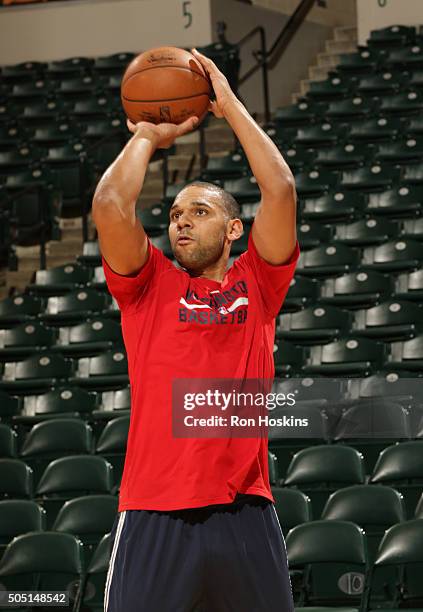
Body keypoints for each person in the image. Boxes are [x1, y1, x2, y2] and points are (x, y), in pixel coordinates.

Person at [93, 48, 299, 612]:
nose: (182, 219)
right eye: (177, 213)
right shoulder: (148, 285)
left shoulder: (258, 284)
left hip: (246, 512)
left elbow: (279, 188)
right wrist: (146, 136)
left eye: (200, 211)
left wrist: (227, 104)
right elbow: (111, 204)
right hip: (156, 511)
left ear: (235, 227)